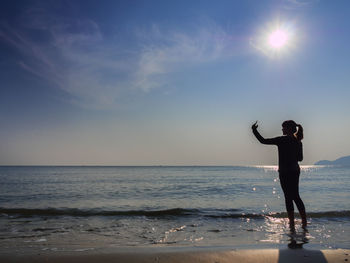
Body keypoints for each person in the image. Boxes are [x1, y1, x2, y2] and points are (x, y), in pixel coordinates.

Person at [251, 120, 307, 230]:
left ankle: (291, 223)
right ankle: (304, 222)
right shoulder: (298, 141)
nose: (282, 129)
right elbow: (300, 158)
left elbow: (263, 141)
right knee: (296, 196)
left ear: (289, 129)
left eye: (283, 127)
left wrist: (254, 130)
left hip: (285, 171)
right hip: (295, 170)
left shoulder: (282, 140)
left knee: (288, 197)